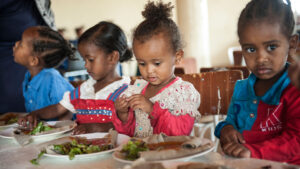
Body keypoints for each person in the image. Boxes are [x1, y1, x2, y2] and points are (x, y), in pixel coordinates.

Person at [214, 0, 300, 165]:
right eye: (251, 49)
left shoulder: (295, 87)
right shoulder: (241, 88)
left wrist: (253, 152)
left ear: (292, 44)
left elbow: (296, 140)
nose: (261, 58)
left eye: (272, 47)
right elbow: (230, 121)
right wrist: (225, 129)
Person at [18, 21, 133, 134]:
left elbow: (131, 125)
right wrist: (36, 114)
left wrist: (96, 128)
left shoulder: (127, 92)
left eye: (91, 60)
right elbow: (58, 108)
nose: (86, 65)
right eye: (84, 60)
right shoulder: (84, 89)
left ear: (112, 57)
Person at [112, 1, 201, 138]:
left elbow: (179, 134)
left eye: (157, 63)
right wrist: (123, 113)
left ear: (177, 57)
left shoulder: (183, 92)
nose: (149, 70)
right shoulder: (137, 89)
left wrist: (152, 110)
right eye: (142, 63)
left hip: (173, 156)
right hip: (141, 156)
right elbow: (129, 134)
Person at [0, 0, 55, 113]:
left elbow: (64, 108)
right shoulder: (26, 81)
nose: (16, 45)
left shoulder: (52, 79)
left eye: (20, 45)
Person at [13, 26, 74, 114]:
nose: (16, 43)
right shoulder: (28, 76)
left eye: (21, 44)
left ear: (33, 60)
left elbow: (67, 111)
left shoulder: (52, 79)